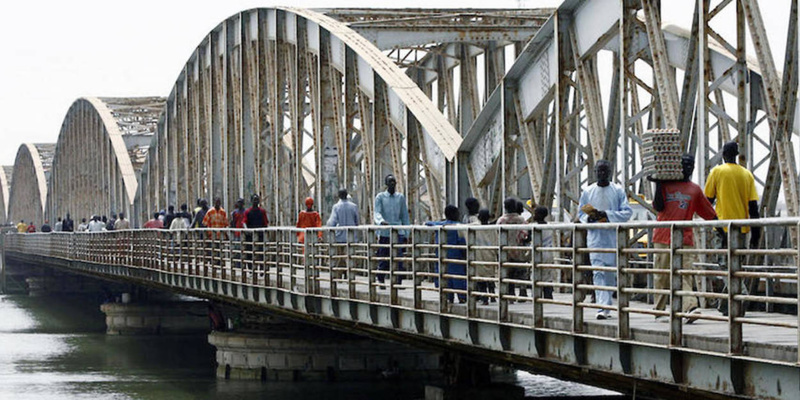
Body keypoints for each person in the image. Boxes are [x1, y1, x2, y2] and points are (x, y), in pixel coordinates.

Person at [649, 155, 718, 323]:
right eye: (684, 164)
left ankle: (690, 307)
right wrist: (658, 183)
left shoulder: (694, 190)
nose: (688, 167)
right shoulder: (666, 185)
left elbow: (709, 213)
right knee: (661, 275)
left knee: (684, 274)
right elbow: (658, 207)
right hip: (663, 236)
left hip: (685, 239)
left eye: (691, 164)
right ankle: (659, 311)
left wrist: (723, 230)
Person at [704, 141, 760, 316]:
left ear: (723, 154)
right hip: (742, 229)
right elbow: (753, 207)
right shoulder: (746, 174)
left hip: (722, 227)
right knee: (735, 266)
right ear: (737, 155)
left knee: (724, 266)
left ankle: (741, 295)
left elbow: (708, 201)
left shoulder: (717, 172)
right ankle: (726, 306)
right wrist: (756, 234)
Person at [578, 160, 633, 320]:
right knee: (598, 272)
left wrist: (607, 215)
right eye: (599, 171)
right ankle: (602, 308)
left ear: (610, 172)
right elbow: (581, 213)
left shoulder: (618, 190)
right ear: (595, 172)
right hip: (595, 238)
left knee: (610, 273)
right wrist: (590, 218)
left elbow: (627, 212)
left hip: (612, 238)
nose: (601, 174)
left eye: (604, 171)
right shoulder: (588, 192)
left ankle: (607, 305)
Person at [374, 174, 410, 285]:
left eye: (394, 181)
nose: (392, 184)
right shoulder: (380, 197)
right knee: (384, 257)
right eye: (390, 182)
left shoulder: (400, 197)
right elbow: (376, 212)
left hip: (398, 231)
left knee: (398, 257)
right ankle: (380, 279)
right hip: (385, 232)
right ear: (386, 184)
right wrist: (381, 221)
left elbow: (404, 216)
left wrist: (406, 234)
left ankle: (398, 281)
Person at [426, 205, 466, 303]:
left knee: (444, 276)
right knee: (458, 278)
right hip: (456, 255)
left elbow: (428, 223)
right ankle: (462, 297)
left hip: (442, 255)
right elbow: (462, 241)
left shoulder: (440, 225)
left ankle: (449, 297)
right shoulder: (458, 226)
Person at [496, 197, 529, 302]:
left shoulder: (501, 220)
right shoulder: (521, 220)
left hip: (506, 250)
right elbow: (526, 234)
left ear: (505, 207)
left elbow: (497, 234)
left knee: (508, 273)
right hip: (519, 250)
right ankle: (523, 293)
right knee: (521, 272)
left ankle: (510, 295)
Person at [327, 189, 360, 278]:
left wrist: (328, 226)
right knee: (350, 257)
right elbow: (357, 221)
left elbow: (332, 222)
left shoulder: (336, 207)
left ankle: (339, 275)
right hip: (351, 237)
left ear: (339, 196)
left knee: (339, 256)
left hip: (339, 236)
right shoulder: (354, 206)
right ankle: (349, 275)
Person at [473, 208, 497, 304]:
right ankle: (492, 295)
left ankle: (484, 298)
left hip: (479, 255)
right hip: (490, 255)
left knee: (480, 278)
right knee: (491, 276)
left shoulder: (475, 227)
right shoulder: (493, 229)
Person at [533, 206, 555, 300]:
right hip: (548, 252)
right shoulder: (549, 226)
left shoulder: (534, 227)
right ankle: (548, 296)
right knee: (547, 275)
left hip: (538, 252)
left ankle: (537, 296)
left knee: (536, 274)